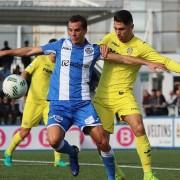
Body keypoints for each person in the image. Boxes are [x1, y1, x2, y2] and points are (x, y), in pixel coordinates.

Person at [0, 15, 166, 180]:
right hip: (59, 105)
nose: (73, 33)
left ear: (85, 30)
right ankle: (72, 152)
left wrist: (147, 63)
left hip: (82, 106)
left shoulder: (93, 50)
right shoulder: (59, 46)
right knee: (54, 141)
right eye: (70, 30)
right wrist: (6, 52)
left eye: (77, 30)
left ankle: (111, 177)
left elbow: (122, 58)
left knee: (102, 142)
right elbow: (30, 50)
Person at [94, 10, 180, 180]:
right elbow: (96, 49)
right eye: (116, 28)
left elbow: (165, 61)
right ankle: (116, 173)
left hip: (124, 95)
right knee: (102, 141)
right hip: (103, 97)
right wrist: (100, 46)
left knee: (139, 127)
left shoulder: (141, 46)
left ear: (131, 27)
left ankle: (148, 174)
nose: (118, 32)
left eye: (122, 29)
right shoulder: (109, 38)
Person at [3, 39, 68, 168]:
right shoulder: (40, 60)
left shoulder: (61, 65)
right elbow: (26, 72)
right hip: (34, 101)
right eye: (53, 51)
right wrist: (20, 82)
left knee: (55, 131)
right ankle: (8, 153)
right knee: (24, 131)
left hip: (50, 103)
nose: (55, 54)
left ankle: (58, 160)